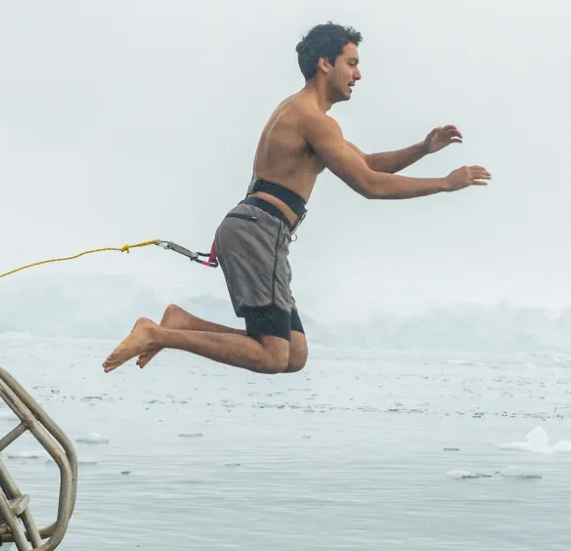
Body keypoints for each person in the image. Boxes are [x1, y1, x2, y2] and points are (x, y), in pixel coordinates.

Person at [104, 23, 489, 375]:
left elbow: (367, 163)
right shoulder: (311, 119)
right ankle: (158, 334)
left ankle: (181, 323)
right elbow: (370, 185)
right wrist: (445, 183)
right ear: (325, 63)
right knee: (273, 355)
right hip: (260, 230)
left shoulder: (307, 115)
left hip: (261, 229)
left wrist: (422, 148)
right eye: (351, 63)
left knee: (295, 354)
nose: (358, 74)